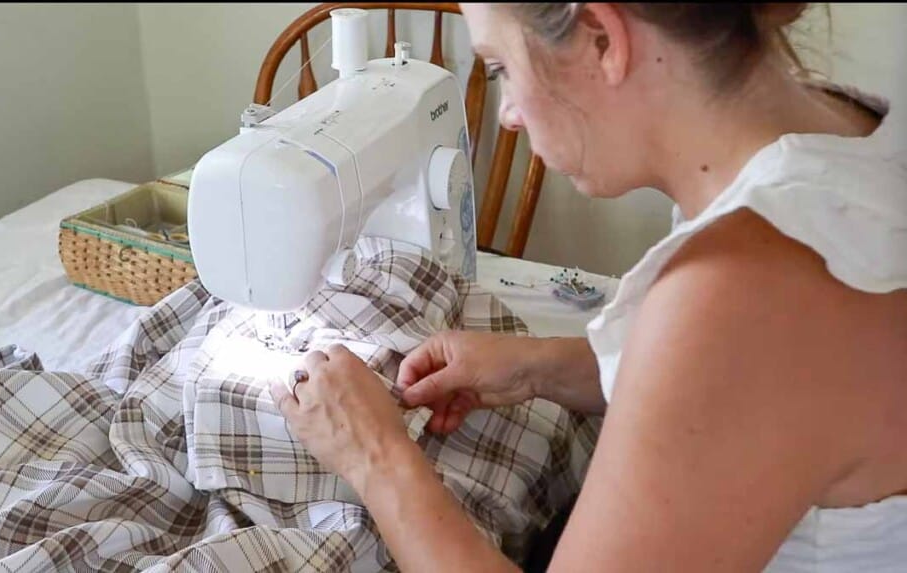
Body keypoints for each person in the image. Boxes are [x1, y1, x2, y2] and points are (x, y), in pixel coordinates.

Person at [270, 3, 907, 571]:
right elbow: (772, 398)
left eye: (500, 70)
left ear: (602, 37)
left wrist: (375, 457)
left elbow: (740, 353)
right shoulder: (841, 128)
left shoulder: (743, 287)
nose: (510, 115)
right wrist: (542, 367)